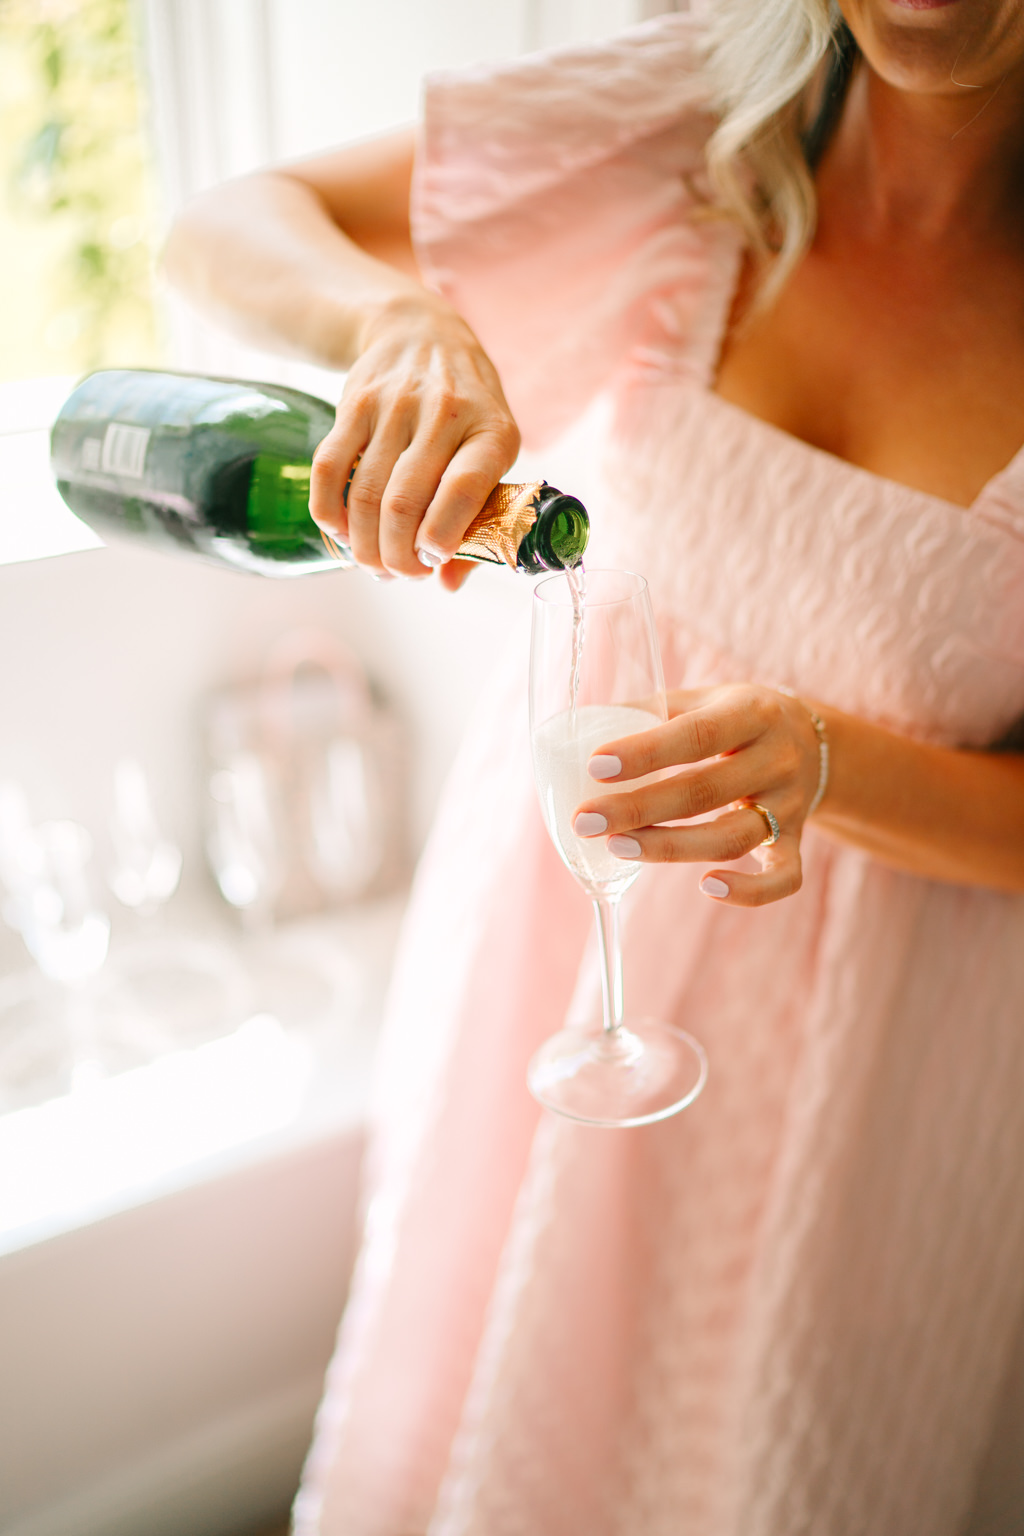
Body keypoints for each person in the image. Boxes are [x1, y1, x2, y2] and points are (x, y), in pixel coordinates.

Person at [165, 2, 1024, 1531]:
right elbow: (224, 228)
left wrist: (830, 768)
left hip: (879, 1083)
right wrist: (400, 323)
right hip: (550, 969)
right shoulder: (690, 118)